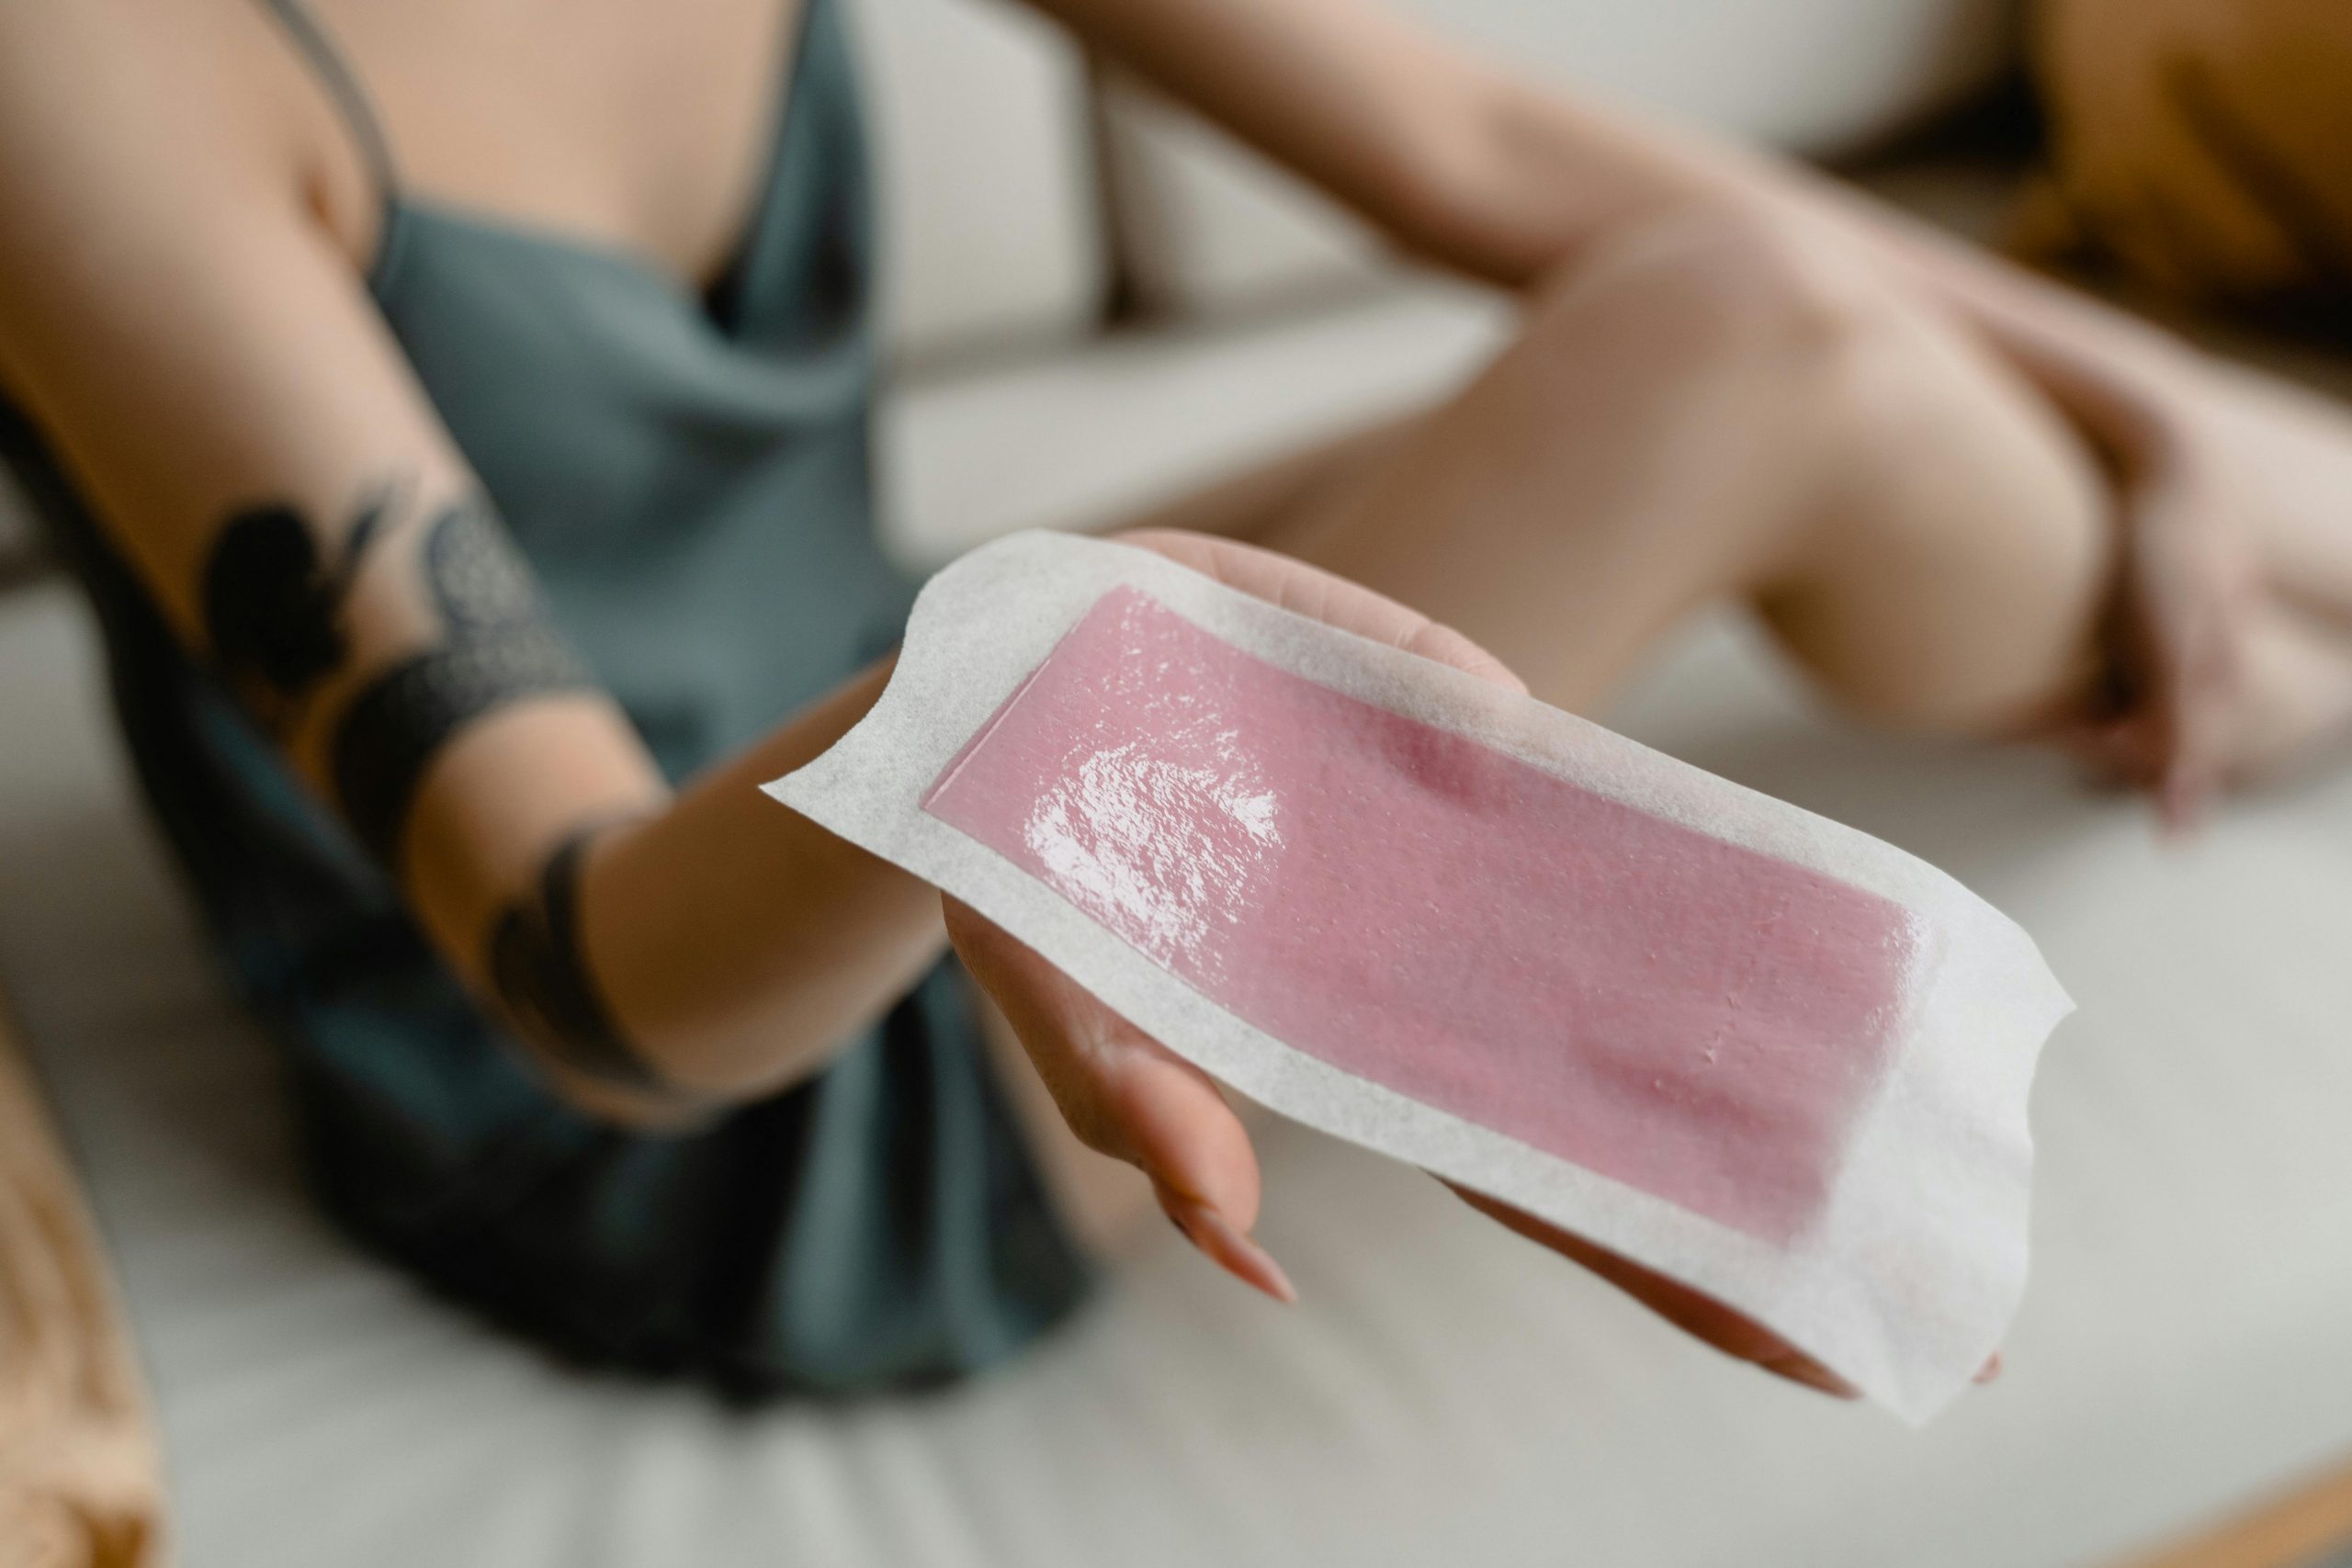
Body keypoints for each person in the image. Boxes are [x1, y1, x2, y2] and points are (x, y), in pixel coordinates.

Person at [2, 0, 2348, 1406]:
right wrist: (1009, 725)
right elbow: (595, 983)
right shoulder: (88, 83)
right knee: (1748, 356)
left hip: (913, 694)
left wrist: (2153, 421)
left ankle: (2276, 586)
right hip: (732, 1086)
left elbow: (1480, 153)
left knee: (1739, 316)